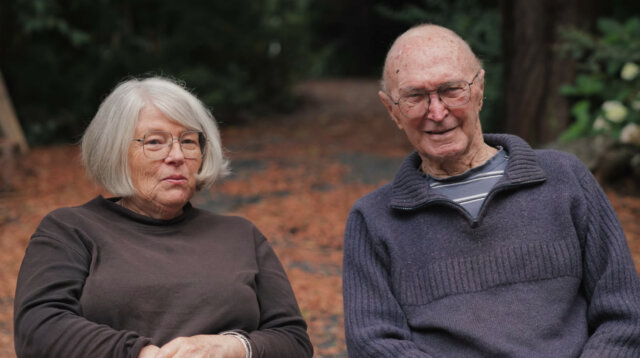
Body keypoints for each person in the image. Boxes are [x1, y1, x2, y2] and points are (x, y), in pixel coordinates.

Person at [342, 24, 640, 358]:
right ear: (392, 110)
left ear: (480, 89)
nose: (437, 112)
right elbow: (373, 343)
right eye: (415, 97)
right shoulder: (373, 220)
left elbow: (625, 315)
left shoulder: (565, 180)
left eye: (452, 90)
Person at [14, 77, 313, 358]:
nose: (177, 156)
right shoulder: (70, 230)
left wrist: (230, 347)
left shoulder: (241, 235)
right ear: (115, 152)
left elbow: (294, 341)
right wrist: (139, 353)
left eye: (188, 141)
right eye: (155, 142)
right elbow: (38, 328)